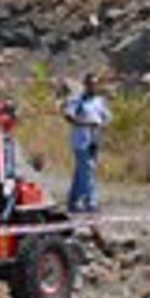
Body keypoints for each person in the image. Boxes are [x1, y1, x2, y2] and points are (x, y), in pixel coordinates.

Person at [62, 73, 111, 214]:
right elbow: (68, 116)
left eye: (95, 84)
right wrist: (86, 123)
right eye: (90, 84)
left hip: (94, 140)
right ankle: (91, 202)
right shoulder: (77, 101)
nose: (93, 87)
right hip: (80, 141)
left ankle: (73, 201)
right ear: (85, 85)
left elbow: (106, 116)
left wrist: (101, 124)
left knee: (81, 172)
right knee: (88, 170)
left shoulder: (99, 101)